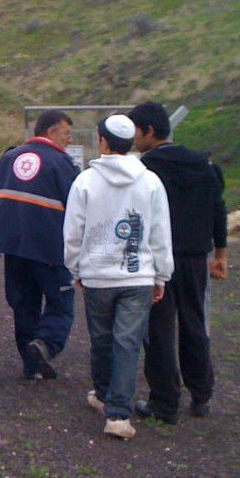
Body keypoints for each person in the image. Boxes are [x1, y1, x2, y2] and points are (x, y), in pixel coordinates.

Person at [63, 115, 173, 440]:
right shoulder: (150, 181)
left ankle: (101, 394)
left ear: (103, 142)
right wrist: (161, 275)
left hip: (97, 275)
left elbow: (73, 232)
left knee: (101, 338)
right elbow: (159, 232)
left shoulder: (85, 181)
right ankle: (118, 415)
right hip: (138, 275)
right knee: (128, 342)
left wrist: (76, 268)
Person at [127, 101, 228, 422]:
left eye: (136, 132)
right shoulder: (205, 165)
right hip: (197, 259)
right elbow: (218, 209)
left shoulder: (146, 169)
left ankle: (165, 402)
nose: (133, 139)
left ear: (149, 131)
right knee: (194, 323)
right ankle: (201, 395)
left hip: (158, 260)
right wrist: (221, 254)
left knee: (159, 329)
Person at [0, 109, 80, 380]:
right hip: (50, 249)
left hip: (14, 248)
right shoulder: (62, 164)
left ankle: (31, 364)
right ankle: (46, 344)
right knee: (61, 303)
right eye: (66, 134)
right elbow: (77, 211)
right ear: (51, 132)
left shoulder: (9, 158)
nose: (68, 140)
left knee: (24, 304)